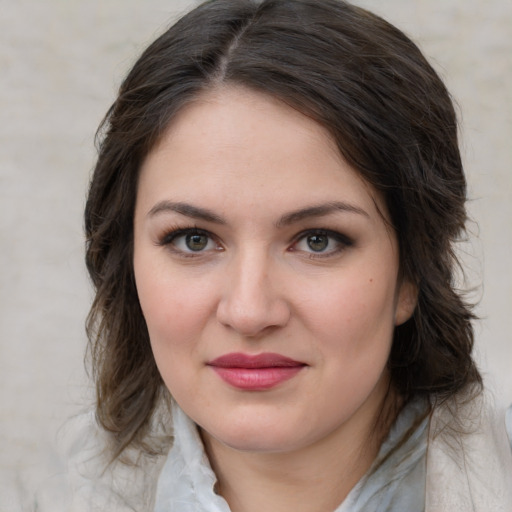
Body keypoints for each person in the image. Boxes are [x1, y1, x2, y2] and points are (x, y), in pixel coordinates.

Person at [35, 0, 512, 510]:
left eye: (317, 240)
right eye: (193, 239)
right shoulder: (52, 493)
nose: (249, 311)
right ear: (127, 262)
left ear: (414, 272)